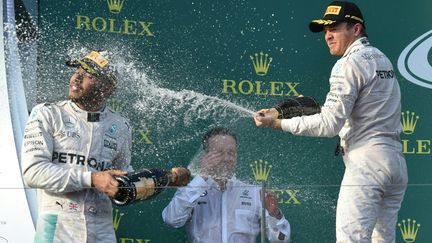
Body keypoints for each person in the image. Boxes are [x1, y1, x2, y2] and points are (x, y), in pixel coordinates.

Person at [254, 1, 408, 242]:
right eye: (325, 30)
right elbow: (343, 111)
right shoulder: (382, 59)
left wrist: (279, 123)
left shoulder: (347, 64)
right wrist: (279, 111)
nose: (328, 35)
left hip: (367, 165)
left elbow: (328, 124)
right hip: (395, 165)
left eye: (334, 28)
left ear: (356, 29)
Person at [21, 50, 190, 242]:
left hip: (102, 231)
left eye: (89, 74)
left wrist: (165, 179)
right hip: (57, 228)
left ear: (107, 88)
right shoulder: (48, 113)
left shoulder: (120, 126)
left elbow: (124, 183)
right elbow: (33, 172)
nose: (77, 77)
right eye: (77, 70)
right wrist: (92, 179)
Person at [162, 127, 291, 243]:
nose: (226, 158)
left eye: (231, 153)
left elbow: (282, 240)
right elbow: (171, 220)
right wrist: (203, 176)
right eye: (219, 152)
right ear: (205, 156)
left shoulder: (255, 193)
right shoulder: (192, 190)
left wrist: (275, 215)